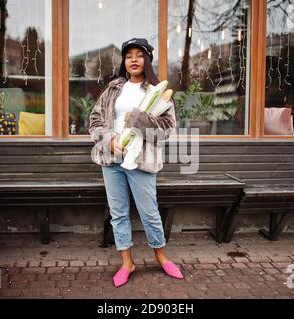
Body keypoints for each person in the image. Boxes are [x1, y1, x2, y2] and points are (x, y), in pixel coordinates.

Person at [89, 38, 183, 288]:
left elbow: (167, 129)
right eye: (128, 55)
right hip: (112, 160)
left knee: (149, 212)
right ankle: (127, 262)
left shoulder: (158, 92)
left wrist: (139, 119)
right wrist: (108, 140)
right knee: (118, 213)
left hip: (141, 161)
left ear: (147, 60)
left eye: (139, 55)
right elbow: (95, 120)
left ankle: (161, 257)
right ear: (124, 61)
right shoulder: (113, 89)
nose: (133, 60)